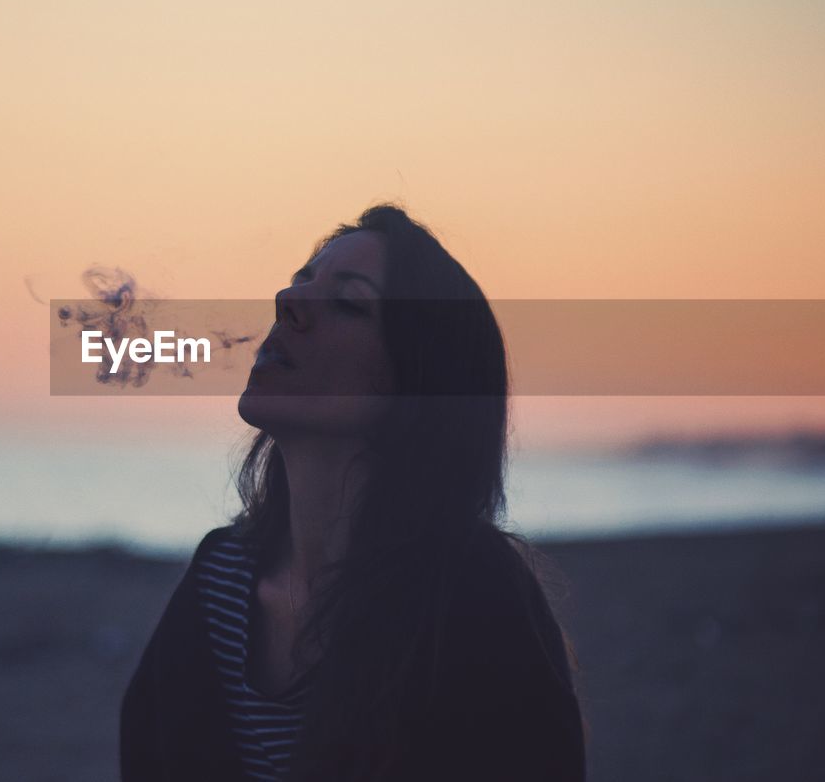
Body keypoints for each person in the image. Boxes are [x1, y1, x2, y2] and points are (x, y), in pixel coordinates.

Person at [119, 203, 586, 781]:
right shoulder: (218, 582)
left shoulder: (473, 595)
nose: (287, 303)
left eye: (347, 302)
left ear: (416, 387)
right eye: (299, 283)